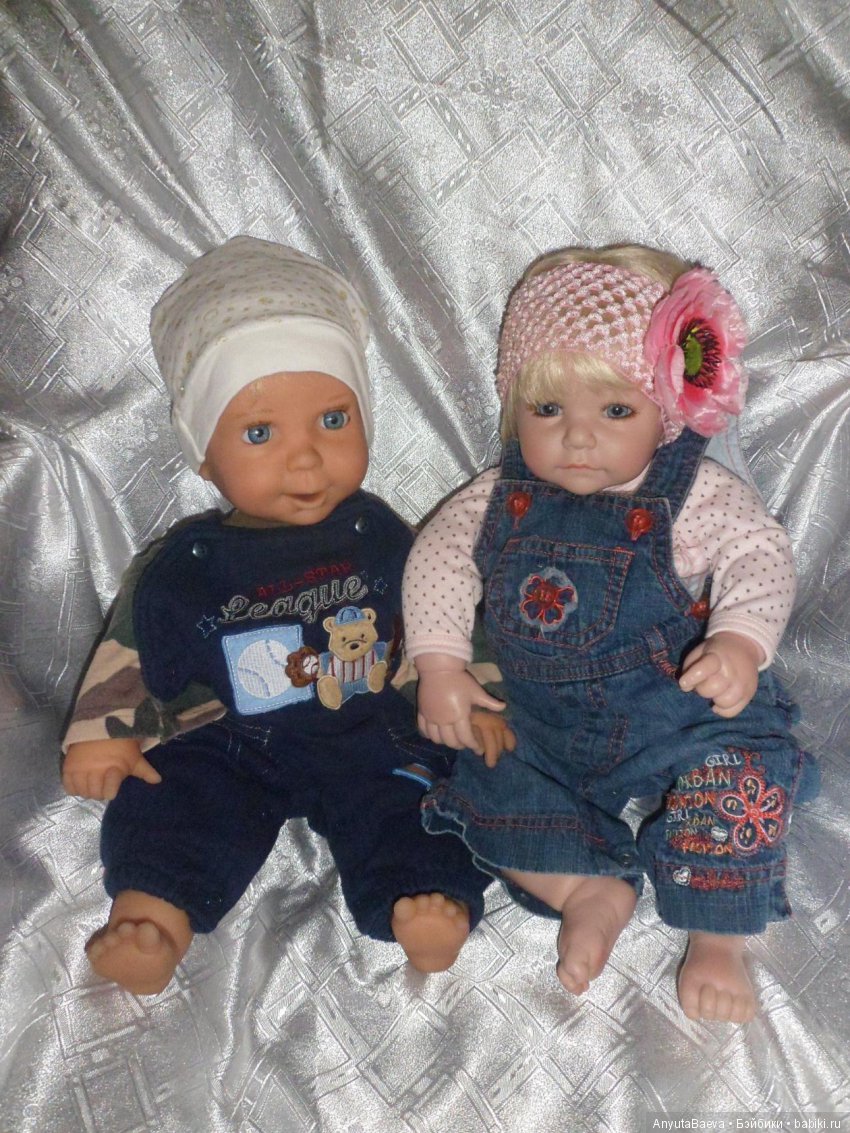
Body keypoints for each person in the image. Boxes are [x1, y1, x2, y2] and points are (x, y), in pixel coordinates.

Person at [61, 235, 506, 995]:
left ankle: (427, 898)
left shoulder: (378, 534)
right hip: (230, 737)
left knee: (418, 794)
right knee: (175, 793)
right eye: (260, 433)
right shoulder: (187, 563)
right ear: (204, 455)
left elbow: (440, 614)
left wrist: (479, 694)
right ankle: (153, 913)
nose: (305, 458)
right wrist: (104, 733)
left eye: (333, 420)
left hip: (367, 726)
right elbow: (134, 647)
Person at [402, 244, 818, 1024]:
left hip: (675, 708)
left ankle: (715, 932)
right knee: (478, 768)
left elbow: (759, 551)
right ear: (514, 408)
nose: (578, 437)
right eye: (548, 411)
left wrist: (737, 642)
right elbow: (439, 559)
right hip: (544, 721)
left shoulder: (688, 492)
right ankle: (586, 885)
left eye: (615, 411)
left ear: (667, 412)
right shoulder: (499, 497)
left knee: (738, 767)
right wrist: (441, 664)